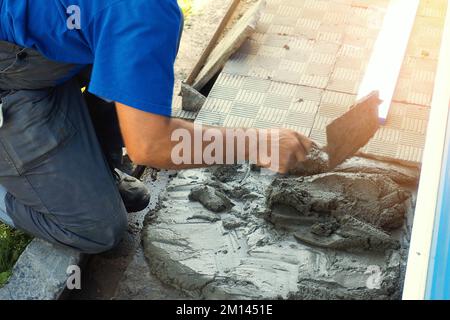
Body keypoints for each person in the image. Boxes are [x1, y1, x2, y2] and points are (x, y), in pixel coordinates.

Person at [0, 0, 312, 253]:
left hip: (31, 48)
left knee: (137, 53)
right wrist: (259, 145)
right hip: (10, 70)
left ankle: (92, 166)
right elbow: (151, 145)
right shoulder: (143, 11)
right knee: (97, 229)